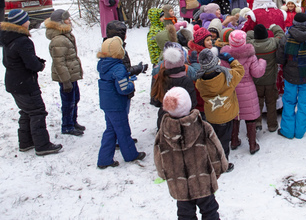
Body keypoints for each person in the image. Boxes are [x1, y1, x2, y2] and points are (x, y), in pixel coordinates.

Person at [154, 87, 228, 220]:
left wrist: (163, 173)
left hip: (179, 185)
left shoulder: (163, 132)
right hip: (203, 181)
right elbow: (215, 150)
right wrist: (220, 168)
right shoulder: (202, 126)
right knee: (210, 210)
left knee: (185, 214)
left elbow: (159, 156)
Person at [0, 9, 62, 156]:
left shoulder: (9, 38)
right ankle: (42, 145)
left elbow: (13, 60)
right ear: (23, 22)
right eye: (27, 19)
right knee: (37, 111)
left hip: (13, 82)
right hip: (25, 83)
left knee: (26, 111)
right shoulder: (23, 41)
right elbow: (31, 64)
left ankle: (26, 142)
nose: (29, 21)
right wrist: (39, 65)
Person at [96, 36, 146, 169]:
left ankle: (104, 159)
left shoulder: (103, 65)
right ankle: (130, 155)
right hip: (117, 104)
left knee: (111, 130)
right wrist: (131, 83)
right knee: (123, 130)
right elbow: (123, 89)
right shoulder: (118, 68)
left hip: (107, 104)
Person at [195, 49, 245, 172]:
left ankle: (212, 158)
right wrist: (231, 60)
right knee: (224, 140)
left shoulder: (200, 82)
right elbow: (240, 70)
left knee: (213, 138)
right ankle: (223, 163)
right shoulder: (227, 76)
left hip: (211, 114)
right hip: (226, 114)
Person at [220, 30, 266, 154]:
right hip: (248, 88)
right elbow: (257, 73)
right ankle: (252, 144)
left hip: (232, 89)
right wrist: (262, 62)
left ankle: (234, 141)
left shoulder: (225, 56)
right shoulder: (250, 56)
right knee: (250, 117)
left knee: (235, 115)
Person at [276, 13, 306, 139]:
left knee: (289, 102)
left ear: (293, 23)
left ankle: (288, 131)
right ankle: (300, 132)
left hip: (290, 77)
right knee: (304, 104)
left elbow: (280, 59)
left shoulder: (285, 39)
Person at [44, 9, 85, 136]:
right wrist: (65, 80)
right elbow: (59, 63)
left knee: (75, 98)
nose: (70, 21)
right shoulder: (59, 40)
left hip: (71, 75)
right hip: (66, 77)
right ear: (61, 22)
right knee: (68, 102)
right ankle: (67, 125)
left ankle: (73, 121)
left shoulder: (65, 35)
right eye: (67, 19)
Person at [247, 24, 285, 132]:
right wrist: (273, 27)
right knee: (271, 103)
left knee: (257, 103)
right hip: (270, 80)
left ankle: (257, 122)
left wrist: (252, 30)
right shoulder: (273, 43)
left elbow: (247, 36)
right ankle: (272, 125)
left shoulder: (251, 45)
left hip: (256, 80)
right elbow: (281, 35)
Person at [151, 46, 197, 130]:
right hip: (184, 122)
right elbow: (193, 102)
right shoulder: (186, 81)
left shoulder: (161, 78)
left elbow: (155, 101)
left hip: (164, 120)